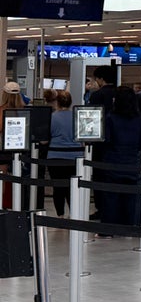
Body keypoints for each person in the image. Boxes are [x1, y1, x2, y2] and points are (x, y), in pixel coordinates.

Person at [95, 85, 141, 227]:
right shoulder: (140, 119)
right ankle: (129, 227)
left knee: (111, 197)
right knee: (130, 197)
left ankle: (109, 228)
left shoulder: (111, 118)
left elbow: (107, 140)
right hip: (132, 163)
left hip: (112, 163)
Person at [46, 89, 83, 217]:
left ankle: (60, 215)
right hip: (75, 156)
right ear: (71, 102)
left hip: (55, 156)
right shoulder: (77, 117)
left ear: (57, 102)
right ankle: (73, 213)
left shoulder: (52, 117)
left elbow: (45, 140)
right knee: (72, 187)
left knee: (58, 187)